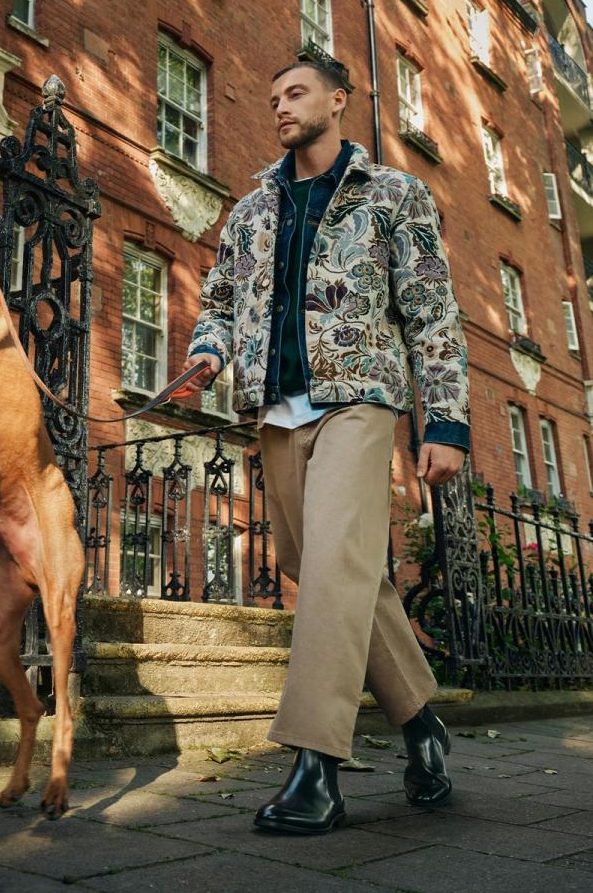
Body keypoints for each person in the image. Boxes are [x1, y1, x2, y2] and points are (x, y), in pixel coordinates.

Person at [182, 60, 470, 835]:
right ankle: (422, 727)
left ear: (340, 100)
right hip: (276, 410)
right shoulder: (250, 210)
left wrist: (443, 423)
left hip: (360, 400)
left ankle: (317, 767)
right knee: (327, 568)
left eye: (296, 93)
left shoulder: (394, 194)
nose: (280, 106)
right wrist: (207, 351)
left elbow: (432, 312)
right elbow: (217, 297)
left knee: (336, 566)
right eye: (272, 97)